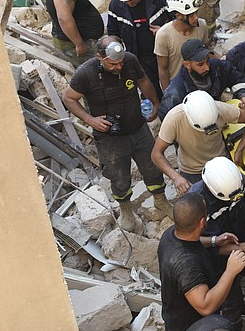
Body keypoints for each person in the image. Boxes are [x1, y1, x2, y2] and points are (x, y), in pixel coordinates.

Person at [63, 36, 172, 231]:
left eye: (121, 62)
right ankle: (125, 209)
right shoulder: (85, 73)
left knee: (152, 165)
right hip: (109, 138)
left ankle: (160, 199)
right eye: (113, 64)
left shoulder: (129, 60)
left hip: (138, 127)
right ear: (100, 57)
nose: (119, 67)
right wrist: (90, 120)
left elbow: (143, 80)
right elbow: (68, 98)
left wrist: (154, 102)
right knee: (119, 176)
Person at [158, 193, 245, 331]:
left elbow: (192, 240)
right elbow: (205, 306)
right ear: (201, 222)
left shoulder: (171, 234)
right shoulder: (186, 266)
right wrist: (231, 271)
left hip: (186, 320)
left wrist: (214, 241)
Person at [189, 157, 245, 331]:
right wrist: (243, 247)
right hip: (216, 256)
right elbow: (204, 245)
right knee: (231, 300)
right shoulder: (197, 203)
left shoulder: (237, 182)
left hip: (239, 235)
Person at [152, 90, 245, 194]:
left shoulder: (220, 109)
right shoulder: (174, 119)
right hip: (192, 171)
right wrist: (176, 177)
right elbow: (156, 154)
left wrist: (240, 150)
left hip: (221, 164)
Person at [107, 0, 172, 97]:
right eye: (126, 1)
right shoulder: (115, 5)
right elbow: (113, 32)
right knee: (151, 88)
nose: (129, 3)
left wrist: (165, 31)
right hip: (140, 57)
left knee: (171, 84)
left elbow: (177, 19)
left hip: (165, 52)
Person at [159, 39, 245, 119]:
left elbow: (235, 76)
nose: (207, 67)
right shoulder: (176, 92)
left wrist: (243, 95)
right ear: (187, 65)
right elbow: (167, 117)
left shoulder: (217, 66)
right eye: (200, 64)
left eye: (207, 61)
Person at [155, 0, 208, 92]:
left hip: (199, 83)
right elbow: (163, 70)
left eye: (196, 12)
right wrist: (169, 94)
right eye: (191, 15)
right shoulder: (164, 35)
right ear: (178, 15)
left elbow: (207, 50)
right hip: (178, 88)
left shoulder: (202, 25)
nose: (196, 18)